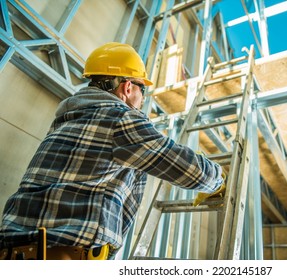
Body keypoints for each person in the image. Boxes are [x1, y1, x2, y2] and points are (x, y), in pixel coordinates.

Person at [0, 42, 224, 260]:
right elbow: (190, 170)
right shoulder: (120, 118)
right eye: (141, 89)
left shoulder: (66, 119)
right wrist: (218, 179)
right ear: (127, 87)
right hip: (64, 256)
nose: (142, 98)